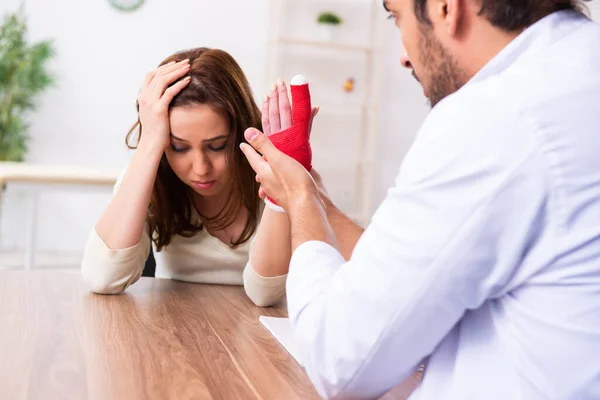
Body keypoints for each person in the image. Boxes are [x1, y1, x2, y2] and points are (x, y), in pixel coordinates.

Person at [240, 1, 600, 398]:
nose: (403, 57)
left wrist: (302, 200)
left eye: (397, 17)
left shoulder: (494, 116)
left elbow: (339, 360)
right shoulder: (576, 71)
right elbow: (412, 270)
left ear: (447, 8)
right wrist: (308, 194)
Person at [81, 47, 316, 307]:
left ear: (239, 132)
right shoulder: (150, 175)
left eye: (217, 146)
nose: (201, 168)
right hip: (177, 331)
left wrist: (278, 194)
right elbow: (102, 278)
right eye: (179, 147)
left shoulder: (273, 175)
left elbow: (265, 294)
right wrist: (149, 143)